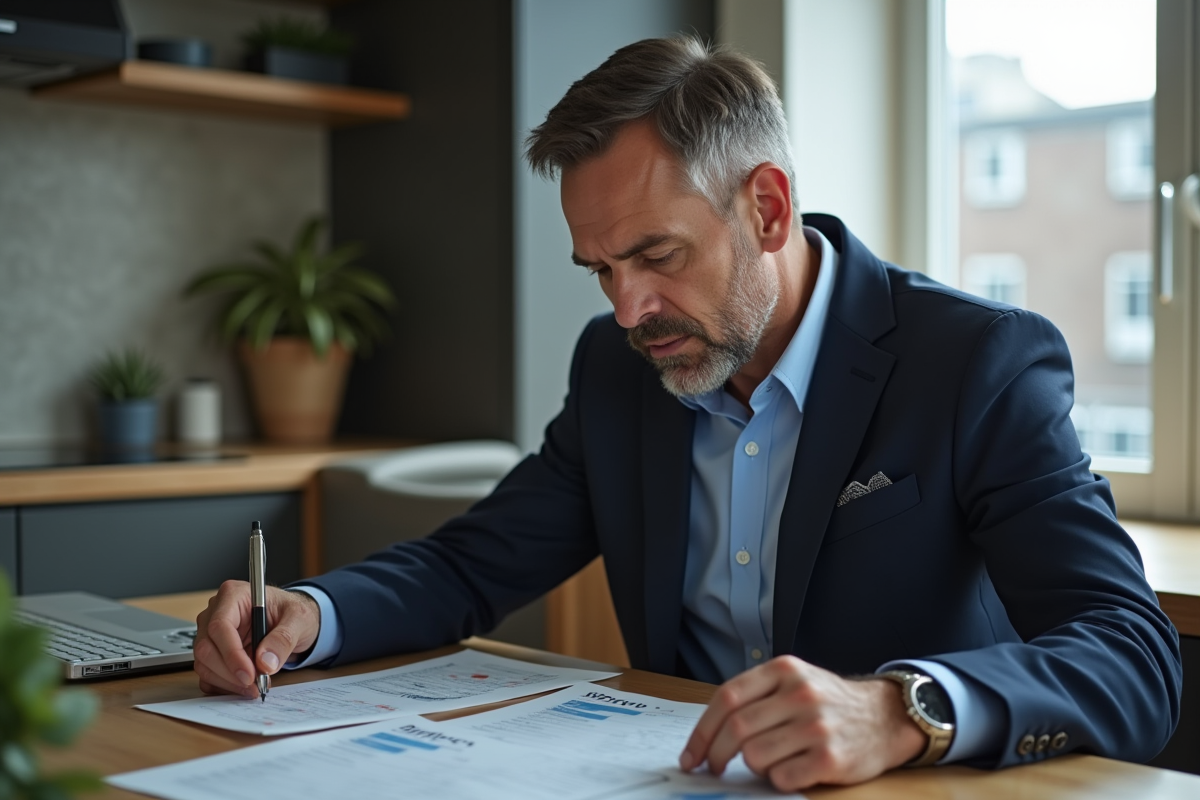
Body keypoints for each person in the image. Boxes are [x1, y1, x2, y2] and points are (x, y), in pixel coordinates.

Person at [193, 36, 1181, 791]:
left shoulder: (974, 363)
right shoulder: (620, 370)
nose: (627, 310)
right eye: (602, 270)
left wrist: (904, 706)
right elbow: (470, 562)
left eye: (658, 257)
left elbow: (1132, 653)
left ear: (767, 207)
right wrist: (310, 611)